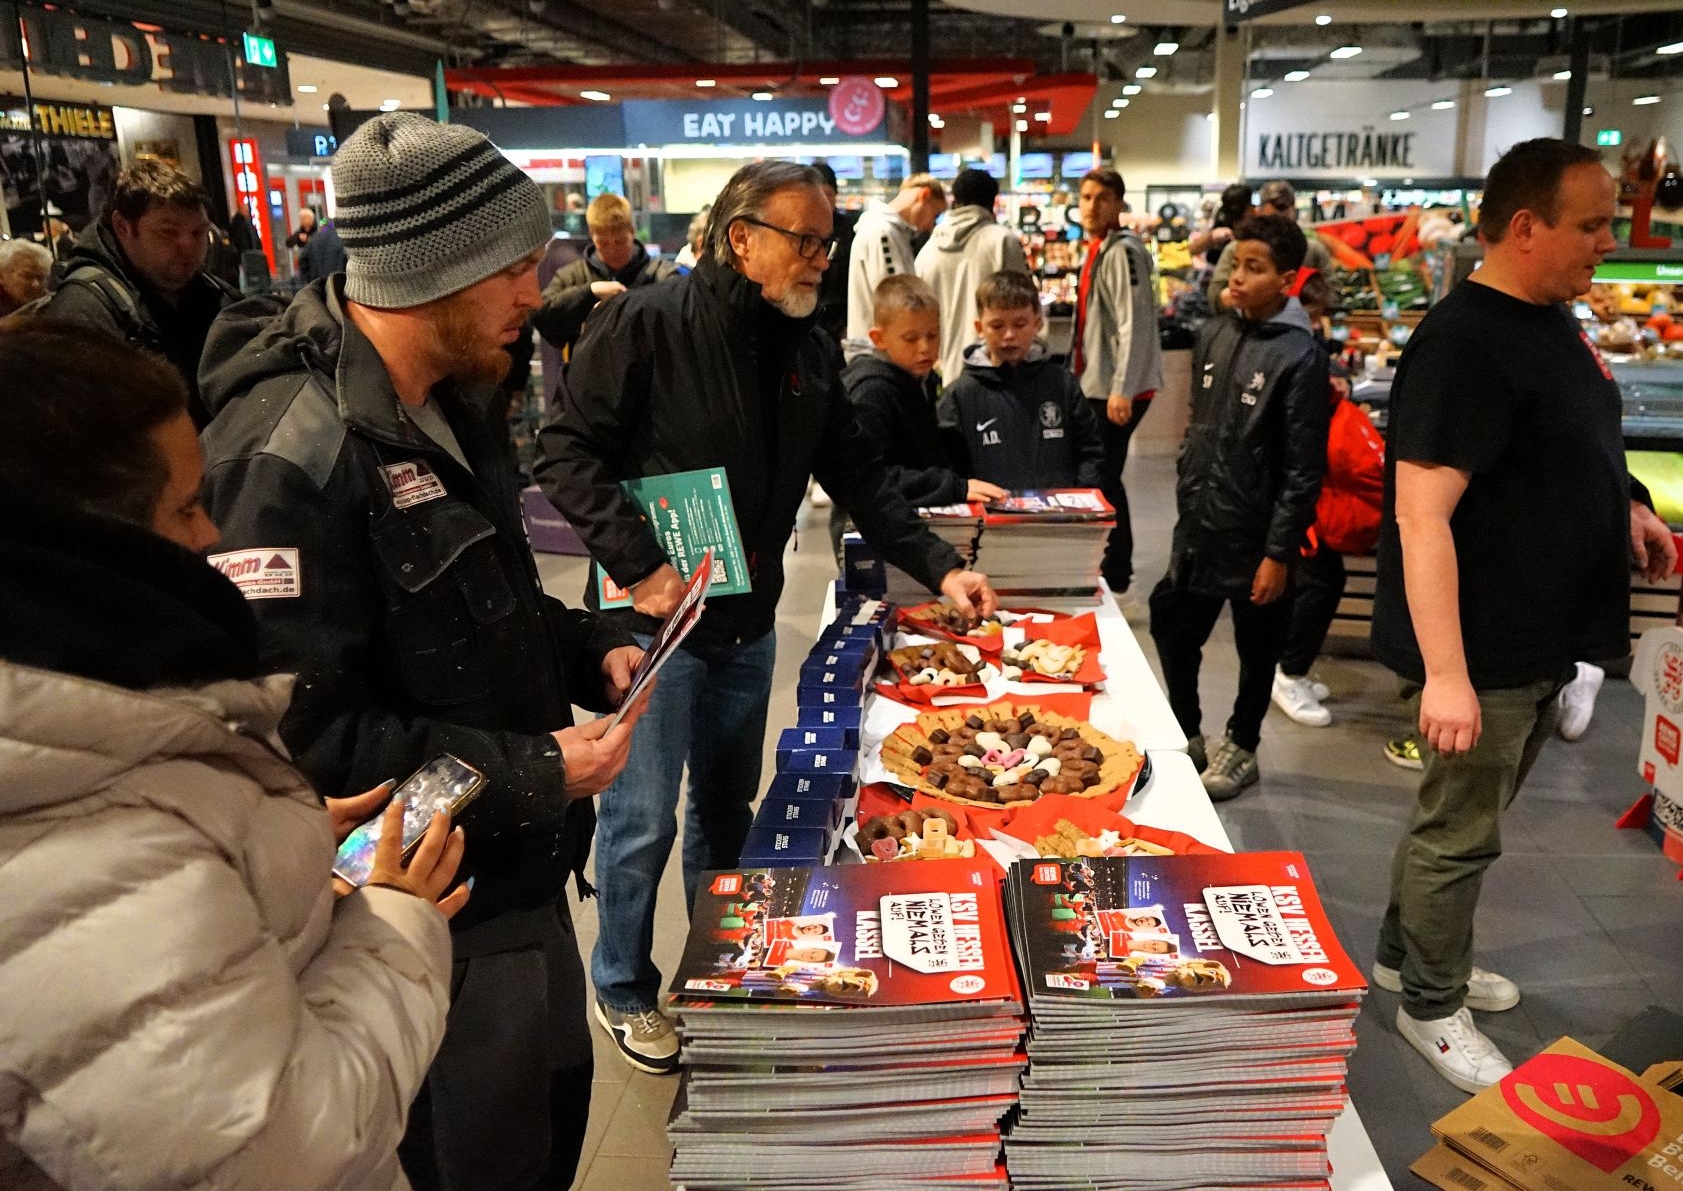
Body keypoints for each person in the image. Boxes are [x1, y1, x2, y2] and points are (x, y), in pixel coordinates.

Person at [198, 113, 647, 1191]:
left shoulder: (446, 402)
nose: (535, 293)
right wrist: (535, 768)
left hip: (519, 878)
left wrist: (593, 647)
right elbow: (306, 742)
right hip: (421, 918)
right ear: (431, 273)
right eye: (514, 268)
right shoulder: (289, 457)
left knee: (545, 1135)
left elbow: (484, 605)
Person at [533, 159, 996, 1076]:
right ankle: (622, 986)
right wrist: (641, 566)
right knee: (639, 822)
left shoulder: (808, 351)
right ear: (741, 238)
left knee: (723, 810)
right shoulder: (644, 324)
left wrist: (941, 566)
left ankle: (717, 969)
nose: (822, 259)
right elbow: (564, 451)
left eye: (828, 242)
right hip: (650, 634)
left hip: (746, 628)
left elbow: (861, 477)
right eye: (806, 241)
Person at [0, 322, 466, 1191]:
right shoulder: (81, 854)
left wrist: (268, 848)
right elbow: (287, 1153)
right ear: (83, 544)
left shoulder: (102, 722)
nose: (214, 533)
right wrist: (397, 925)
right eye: (184, 507)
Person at [1368, 137, 1676, 1093]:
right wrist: (1447, 674)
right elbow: (1421, 516)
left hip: (1541, 633)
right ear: (1527, 226)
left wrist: (1628, 503)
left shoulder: (1550, 320)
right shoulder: (1465, 343)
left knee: (1460, 818)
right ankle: (1431, 1005)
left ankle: (1406, 959)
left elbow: (1572, 437)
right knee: (1461, 833)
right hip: (1486, 644)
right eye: (1592, 225)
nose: (1609, 242)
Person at [1149, 215, 1328, 799]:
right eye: (1236, 264)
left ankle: (1243, 744)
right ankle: (1187, 731)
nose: (1238, 277)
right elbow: (1199, 423)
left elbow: (1303, 469)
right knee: (1172, 623)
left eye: (1256, 268)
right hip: (1200, 524)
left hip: (1258, 538)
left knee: (1258, 648)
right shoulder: (1214, 332)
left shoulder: (1300, 356)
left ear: (1288, 280)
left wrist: (1278, 553)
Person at [33, 159, 236, 426]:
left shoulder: (213, 294)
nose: (188, 247)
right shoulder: (82, 313)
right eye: (169, 232)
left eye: (198, 232)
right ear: (123, 227)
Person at [833, 274, 1005, 557]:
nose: (925, 347)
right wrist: (953, 487)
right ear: (879, 338)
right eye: (910, 338)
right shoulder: (871, 392)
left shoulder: (919, 379)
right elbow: (872, 479)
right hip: (870, 538)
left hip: (910, 528)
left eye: (933, 335)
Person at [1270, 366, 1384, 729]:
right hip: (1304, 513)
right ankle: (1288, 674)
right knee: (1316, 588)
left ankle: (1291, 670)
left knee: (1321, 585)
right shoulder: (1305, 390)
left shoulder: (1325, 401)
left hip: (1310, 509)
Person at [1074, 167, 1164, 604]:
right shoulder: (1101, 248)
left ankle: (1119, 576)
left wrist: (1122, 388)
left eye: (1102, 198)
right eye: (1086, 197)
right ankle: (1111, 569)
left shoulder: (1123, 252)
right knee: (1104, 475)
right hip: (1100, 383)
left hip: (1115, 389)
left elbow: (1135, 323)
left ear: (1119, 204)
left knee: (1106, 478)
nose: (1092, 206)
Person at [940, 269, 1103, 491]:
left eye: (1019, 324)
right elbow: (948, 467)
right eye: (997, 326)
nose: (1009, 335)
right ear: (980, 328)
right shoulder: (960, 395)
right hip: (990, 511)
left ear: (1037, 324)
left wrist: (1082, 494)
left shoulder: (1062, 384)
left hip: (1058, 511)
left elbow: (1090, 451)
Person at [916, 165, 1029, 383]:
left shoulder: (927, 251)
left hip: (943, 375)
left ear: (954, 201)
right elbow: (1024, 305)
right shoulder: (1002, 242)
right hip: (996, 373)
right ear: (992, 202)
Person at [531, 191, 673, 364]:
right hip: (589, 374)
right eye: (603, 243)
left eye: (620, 241)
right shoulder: (573, 275)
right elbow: (541, 315)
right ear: (592, 235)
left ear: (632, 231)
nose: (612, 250)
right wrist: (590, 292)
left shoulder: (658, 272)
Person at [847, 172, 946, 346]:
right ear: (924, 195)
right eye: (935, 214)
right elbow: (896, 302)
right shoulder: (882, 233)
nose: (931, 225)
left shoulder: (890, 232)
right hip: (879, 351)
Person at [1208, 180, 1333, 312]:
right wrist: (1248, 297)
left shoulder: (1313, 249)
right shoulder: (1238, 247)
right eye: (1279, 206)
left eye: (1290, 205)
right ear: (1261, 208)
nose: (1286, 211)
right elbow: (1215, 296)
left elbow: (1332, 292)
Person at [809, 161, 859, 346]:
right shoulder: (800, 231)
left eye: (828, 195)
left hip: (843, 324)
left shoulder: (850, 230)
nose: (823, 201)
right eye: (817, 195)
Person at [0, 237, 51, 315]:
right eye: (28, 276)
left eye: (41, 277)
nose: (36, 284)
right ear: (2, 276)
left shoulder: (51, 299)